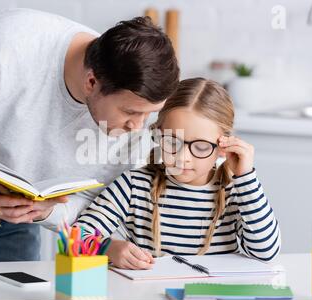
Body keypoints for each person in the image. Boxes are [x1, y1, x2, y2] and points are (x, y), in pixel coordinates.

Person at [0, 8, 179, 263]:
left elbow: (94, 200)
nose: (138, 127)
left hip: (16, 219)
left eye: (150, 114)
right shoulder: (7, 44)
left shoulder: (133, 116)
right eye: (130, 112)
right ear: (92, 82)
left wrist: (47, 212)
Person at [74, 78, 281, 270]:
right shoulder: (134, 186)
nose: (182, 158)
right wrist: (108, 248)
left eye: (200, 147)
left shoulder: (237, 192)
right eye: (173, 142)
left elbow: (266, 253)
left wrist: (246, 178)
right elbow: (74, 237)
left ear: (222, 147)